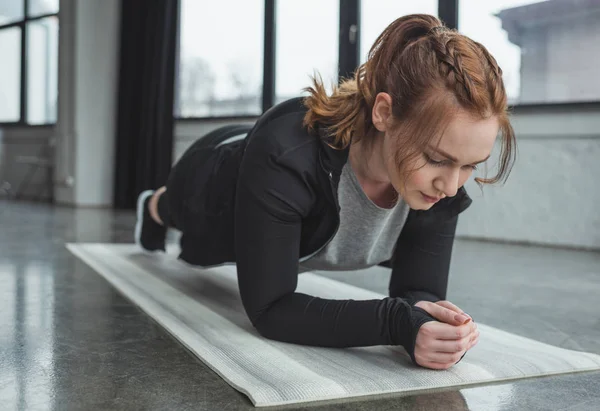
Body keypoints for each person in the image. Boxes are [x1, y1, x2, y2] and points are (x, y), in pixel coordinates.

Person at [134, 14, 516, 370]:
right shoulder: (288, 156)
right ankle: (152, 205)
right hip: (211, 177)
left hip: (264, 170)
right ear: (384, 113)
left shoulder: (439, 187)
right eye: (436, 158)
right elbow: (271, 309)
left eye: (469, 166)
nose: (450, 186)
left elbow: (418, 292)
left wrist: (431, 326)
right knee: (171, 208)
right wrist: (392, 321)